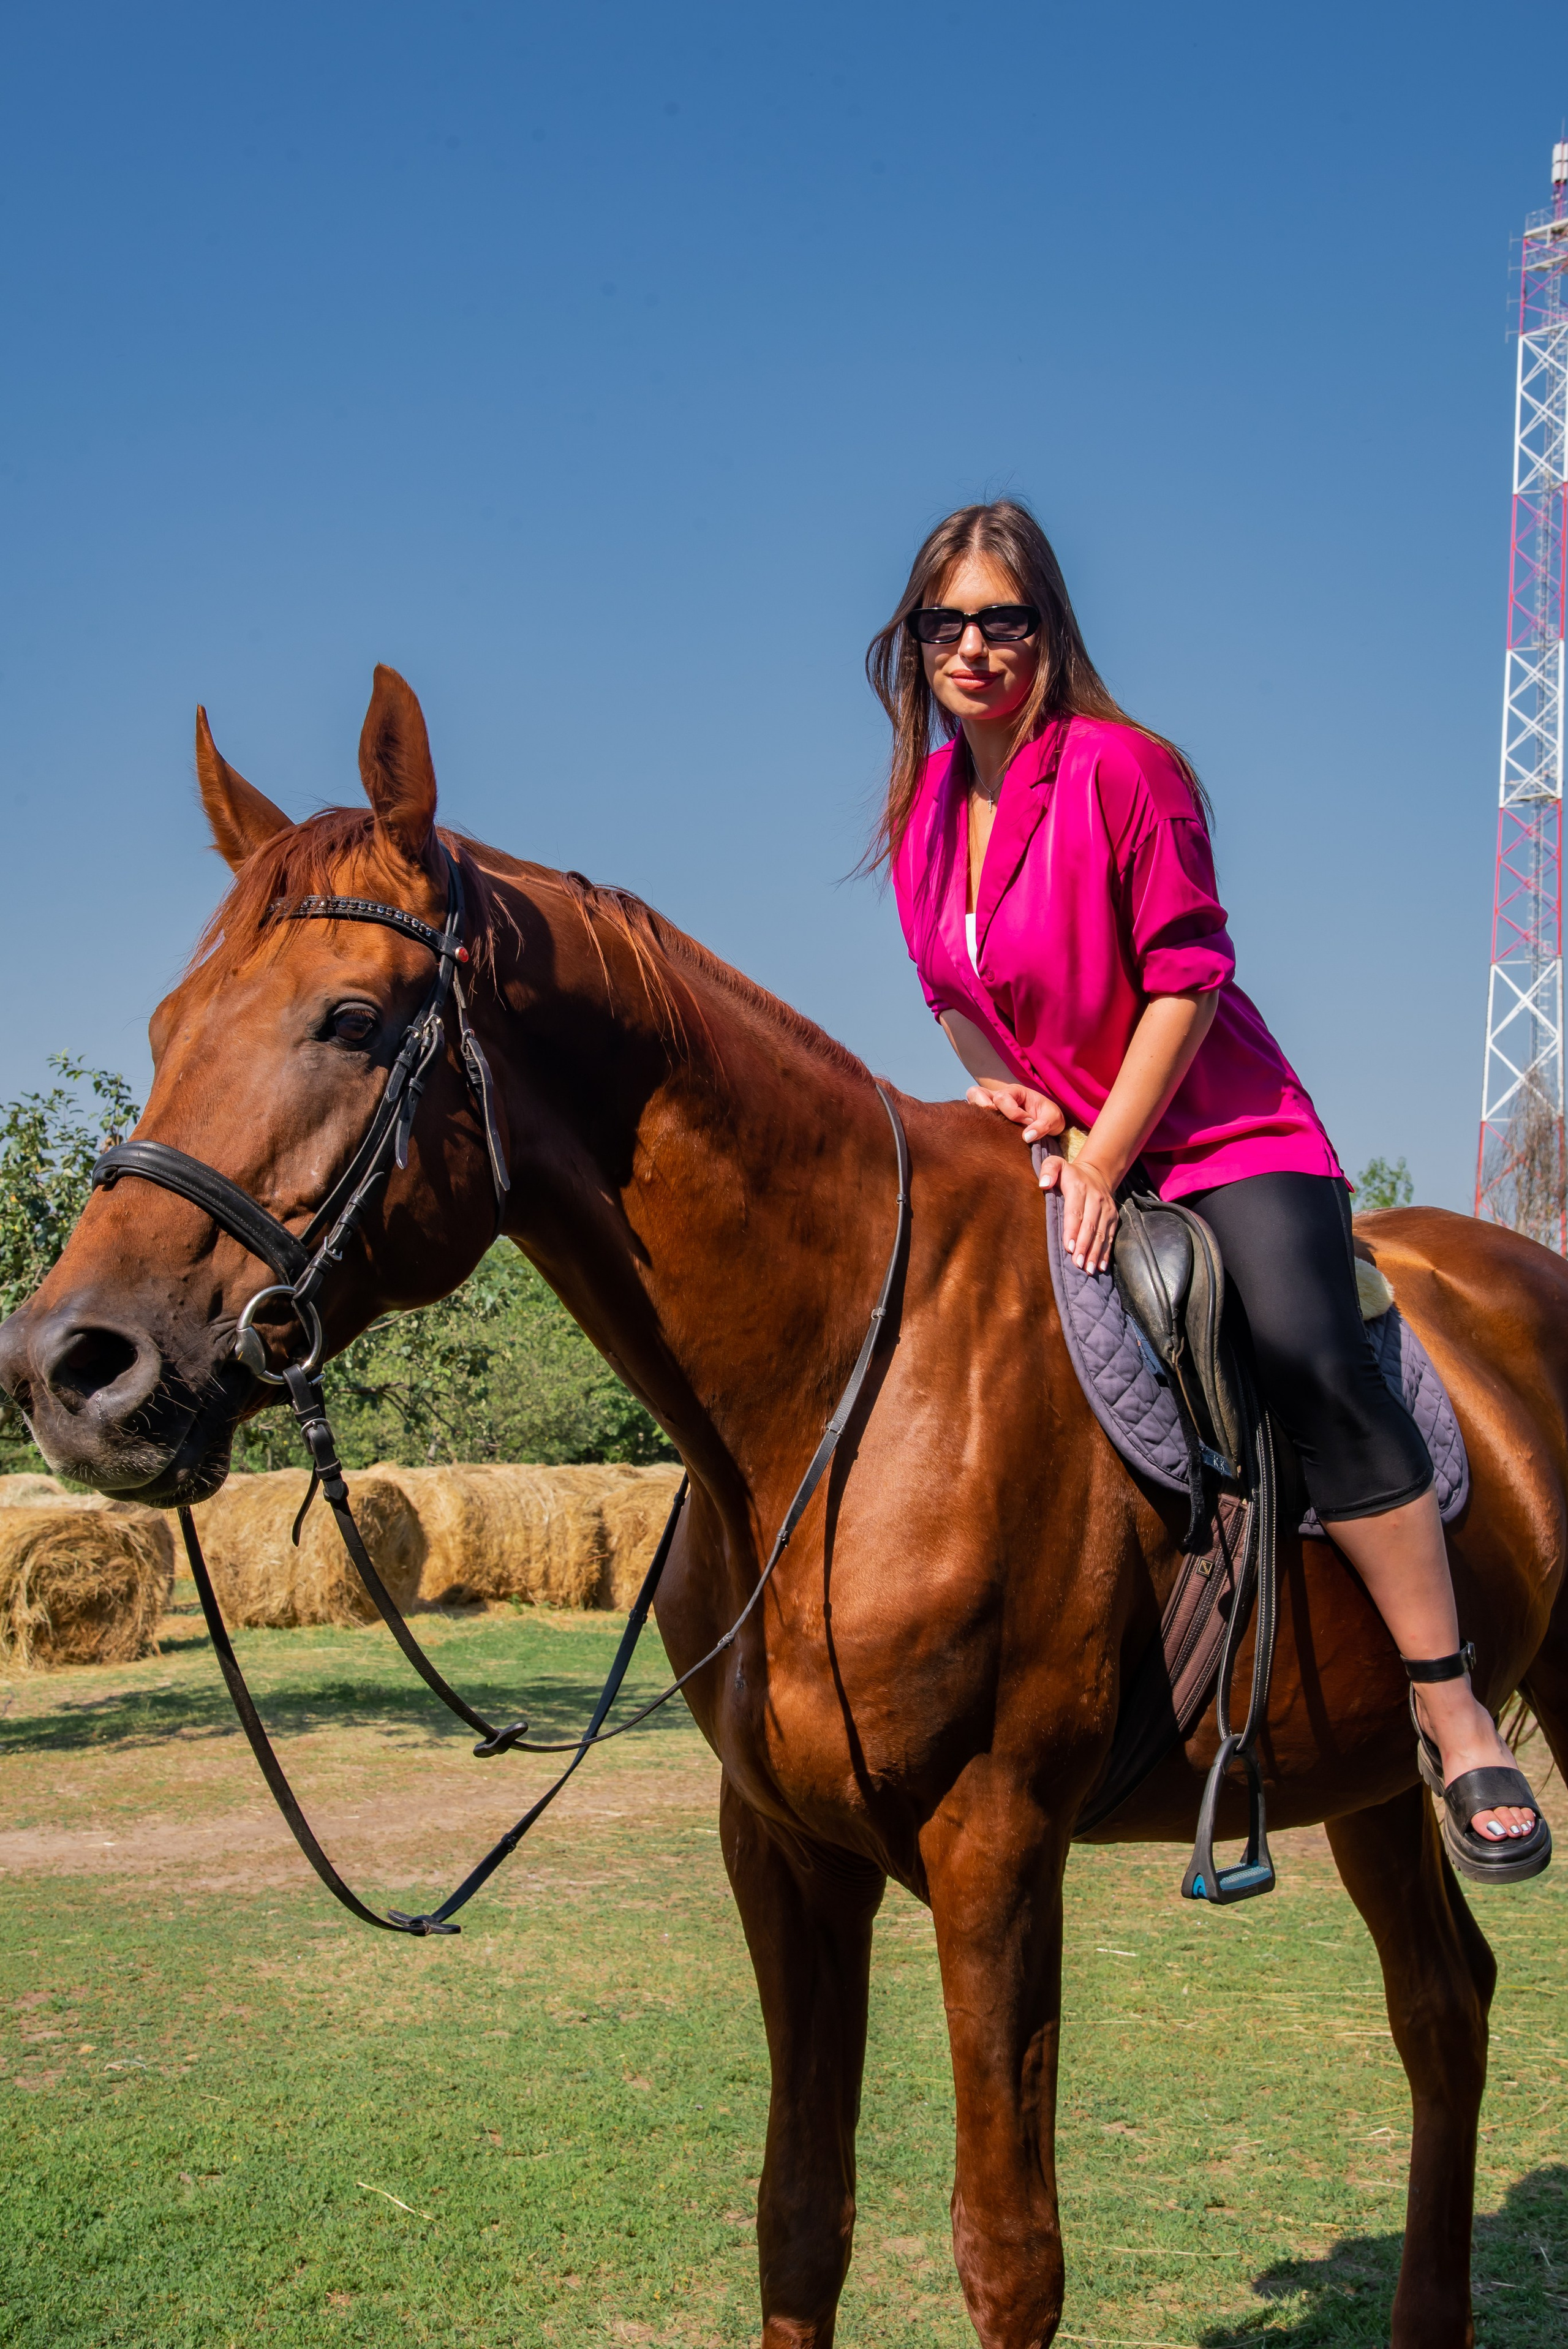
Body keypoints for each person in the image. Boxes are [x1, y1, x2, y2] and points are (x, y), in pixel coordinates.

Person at [869, 496, 1549, 1882]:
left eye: (1003, 619)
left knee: (1306, 1349)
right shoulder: (926, 813)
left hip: (1219, 1130)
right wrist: (1015, 1095)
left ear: (1047, 625)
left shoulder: (1126, 768)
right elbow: (950, 994)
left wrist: (1106, 1152)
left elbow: (1185, 979)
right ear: (916, 643)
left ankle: (1446, 1697)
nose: (974, 648)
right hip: (1068, 1139)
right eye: (947, 624)